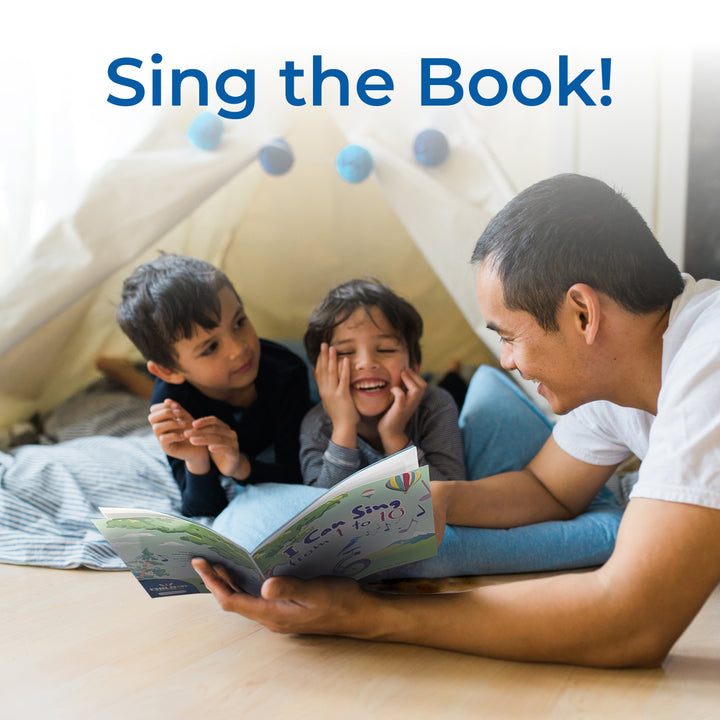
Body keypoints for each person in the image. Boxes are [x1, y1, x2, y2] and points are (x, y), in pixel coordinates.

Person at [192, 173, 720, 668]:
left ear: (582, 314)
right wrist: (438, 500)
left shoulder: (709, 361)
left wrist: (363, 616)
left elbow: (630, 620)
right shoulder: (617, 377)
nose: (506, 362)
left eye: (509, 337)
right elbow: (548, 489)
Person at [116, 254, 312, 517]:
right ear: (169, 370)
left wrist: (240, 466)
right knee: (149, 398)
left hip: (273, 376)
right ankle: (121, 372)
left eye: (239, 322)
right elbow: (201, 509)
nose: (239, 348)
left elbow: (299, 473)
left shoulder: (286, 372)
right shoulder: (173, 405)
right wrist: (196, 460)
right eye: (210, 347)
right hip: (187, 391)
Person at [299, 277, 466, 488]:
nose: (367, 363)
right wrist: (343, 428)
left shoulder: (435, 405)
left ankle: (454, 372)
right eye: (345, 352)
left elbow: (453, 497)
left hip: (432, 393)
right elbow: (323, 511)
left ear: (414, 364)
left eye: (386, 349)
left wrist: (394, 437)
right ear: (320, 376)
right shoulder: (316, 426)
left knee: (454, 387)